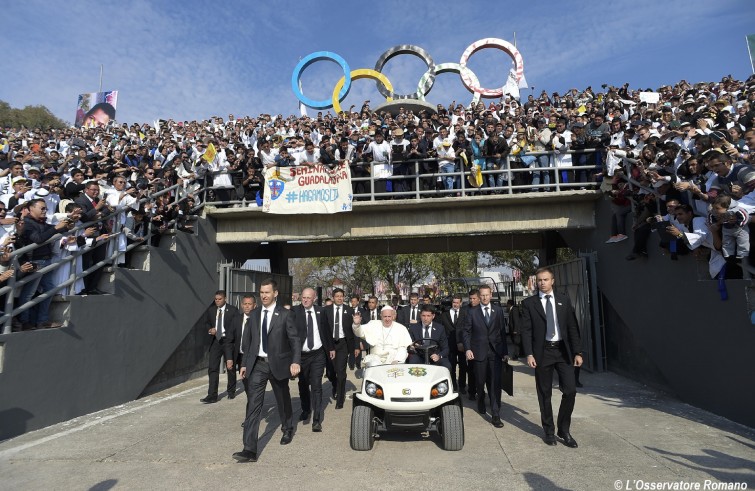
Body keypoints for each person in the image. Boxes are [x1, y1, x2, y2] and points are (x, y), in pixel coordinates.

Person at [234, 279, 301, 463]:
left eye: (267, 292)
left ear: (275, 293)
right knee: (253, 405)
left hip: (278, 364)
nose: (263, 295)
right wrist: (245, 364)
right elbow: (248, 342)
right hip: (258, 364)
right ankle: (249, 449)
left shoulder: (285, 314)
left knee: (282, 400)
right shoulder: (254, 314)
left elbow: (295, 340)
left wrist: (295, 361)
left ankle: (287, 428)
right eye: (261, 292)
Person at [520, 267, 583, 448]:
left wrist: (578, 352)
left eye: (546, 279)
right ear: (536, 282)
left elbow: (572, 327)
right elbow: (526, 331)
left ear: (552, 281)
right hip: (542, 353)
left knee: (570, 390)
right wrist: (529, 353)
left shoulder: (563, 300)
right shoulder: (529, 304)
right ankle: (549, 431)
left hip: (563, 351)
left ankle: (564, 429)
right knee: (544, 393)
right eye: (539, 280)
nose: (542, 283)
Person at [462, 285, 508, 428]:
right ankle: (480, 399)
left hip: (495, 352)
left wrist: (505, 351)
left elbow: (502, 332)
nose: (484, 297)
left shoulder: (498, 310)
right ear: (479, 296)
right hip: (478, 351)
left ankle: (495, 414)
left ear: (491, 294)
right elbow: (466, 332)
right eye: (482, 295)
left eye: (487, 295)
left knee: (495, 383)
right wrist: (468, 349)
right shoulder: (472, 312)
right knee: (480, 381)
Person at [292, 287, 334, 432]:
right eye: (303, 297)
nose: (305, 300)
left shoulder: (321, 312)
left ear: (314, 299)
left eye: (308, 298)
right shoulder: (294, 312)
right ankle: (305, 409)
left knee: (316, 385)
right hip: (301, 356)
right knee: (303, 384)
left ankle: (316, 419)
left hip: (317, 354)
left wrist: (331, 348)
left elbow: (326, 331)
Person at [200, 290, 239, 403]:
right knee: (212, 368)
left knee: (230, 367)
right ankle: (212, 395)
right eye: (216, 299)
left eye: (219, 299)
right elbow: (206, 322)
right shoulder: (211, 310)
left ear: (225, 299)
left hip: (228, 341)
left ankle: (231, 391)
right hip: (216, 342)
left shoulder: (232, 310)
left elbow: (237, 325)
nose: (217, 301)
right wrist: (209, 329)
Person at [324, 288, 358, 409]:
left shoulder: (349, 310)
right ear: (333, 298)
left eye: (341, 296)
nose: (339, 298)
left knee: (341, 372)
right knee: (330, 372)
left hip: (343, 344)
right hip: (330, 344)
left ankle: (340, 398)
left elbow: (355, 329)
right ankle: (334, 385)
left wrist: (356, 346)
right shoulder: (326, 310)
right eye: (337, 296)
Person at [440, 294, 467, 392]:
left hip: (462, 345)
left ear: (461, 303)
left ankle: (462, 386)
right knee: (452, 366)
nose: (455, 304)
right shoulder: (444, 314)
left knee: (463, 366)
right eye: (453, 302)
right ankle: (453, 385)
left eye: (457, 303)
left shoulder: (465, 313)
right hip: (449, 345)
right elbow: (441, 330)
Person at [234, 294, 256, 413]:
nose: (247, 306)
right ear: (242, 305)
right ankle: (252, 411)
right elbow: (230, 339)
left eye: (249, 304)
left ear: (254, 305)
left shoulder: (258, 319)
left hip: (254, 358)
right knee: (247, 387)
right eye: (245, 304)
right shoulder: (237, 319)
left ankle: (250, 415)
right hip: (241, 357)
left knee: (253, 388)